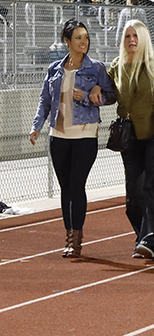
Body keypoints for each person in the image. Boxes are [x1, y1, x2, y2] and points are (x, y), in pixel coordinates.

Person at [29, 19, 115, 257]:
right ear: (67, 41)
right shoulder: (54, 68)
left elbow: (110, 95)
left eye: (86, 37)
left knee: (77, 185)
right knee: (65, 187)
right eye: (78, 38)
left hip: (85, 134)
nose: (83, 42)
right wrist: (36, 126)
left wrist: (89, 95)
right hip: (58, 135)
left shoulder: (96, 68)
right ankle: (68, 234)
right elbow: (45, 100)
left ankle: (76, 238)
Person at [108, 20, 154, 259]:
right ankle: (144, 235)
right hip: (130, 137)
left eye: (136, 36)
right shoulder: (116, 67)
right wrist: (94, 93)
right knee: (133, 197)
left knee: (151, 187)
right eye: (128, 35)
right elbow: (108, 95)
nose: (131, 40)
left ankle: (150, 242)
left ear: (144, 39)